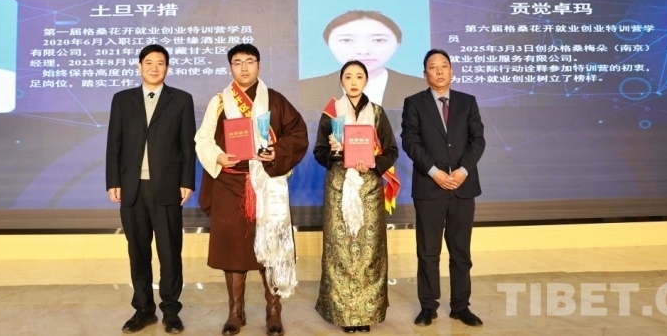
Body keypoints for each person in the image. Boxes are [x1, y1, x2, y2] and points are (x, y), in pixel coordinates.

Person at [195, 43, 309, 336]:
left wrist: (276, 152)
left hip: (267, 183)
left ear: (259, 65)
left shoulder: (276, 101)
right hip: (230, 183)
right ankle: (236, 311)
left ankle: (273, 310)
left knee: (271, 246)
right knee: (233, 248)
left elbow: (298, 134)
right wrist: (218, 156)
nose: (244, 67)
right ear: (230, 67)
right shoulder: (219, 102)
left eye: (249, 61)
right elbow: (203, 139)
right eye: (237, 62)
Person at [105, 44, 196, 335]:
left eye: (160, 63)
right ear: (139, 66)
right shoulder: (122, 99)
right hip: (132, 188)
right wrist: (113, 181)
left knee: (170, 252)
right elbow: (114, 144)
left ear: (167, 67)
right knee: (138, 251)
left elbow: (187, 146)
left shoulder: (181, 99)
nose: (154, 67)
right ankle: (143, 309)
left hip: (167, 187)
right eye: (148, 62)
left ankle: (171, 311)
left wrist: (187, 181)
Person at [401, 49, 486, 328]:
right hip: (429, 187)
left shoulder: (467, 102)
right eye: (433, 67)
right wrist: (434, 172)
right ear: (424, 74)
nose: (439, 71)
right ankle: (428, 306)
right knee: (428, 251)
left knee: (461, 251)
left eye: (444, 66)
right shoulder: (414, 103)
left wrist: (463, 171)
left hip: (463, 187)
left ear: (452, 71)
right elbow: (410, 141)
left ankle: (461, 306)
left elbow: (478, 140)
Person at [313, 60, 399, 334]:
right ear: (341, 81)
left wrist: (373, 163)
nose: (353, 81)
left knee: (369, 251)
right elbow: (318, 152)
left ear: (366, 81)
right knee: (339, 249)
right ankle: (343, 314)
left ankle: (366, 313)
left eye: (359, 76)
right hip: (339, 186)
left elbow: (391, 150)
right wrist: (334, 153)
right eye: (348, 76)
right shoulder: (330, 113)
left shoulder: (377, 112)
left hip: (369, 188)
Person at [299, 10, 425, 111]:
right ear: (328, 44)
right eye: (347, 40)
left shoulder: (421, 89)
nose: (363, 50)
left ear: (398, 44)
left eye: (378, 40)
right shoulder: (306, 89)